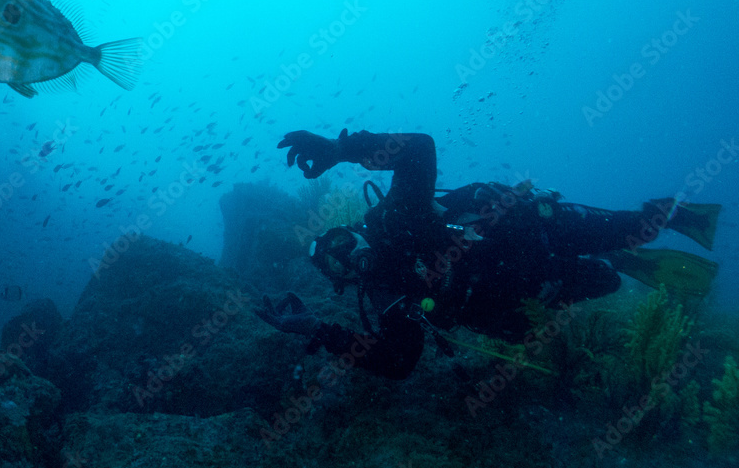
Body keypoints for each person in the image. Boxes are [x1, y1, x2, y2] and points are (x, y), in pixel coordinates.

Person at [255, 129, 720, 380]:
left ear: (353, 231)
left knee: (625, 229)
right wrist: (318, 330)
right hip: (530, 290)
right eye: (334, 264)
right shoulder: (384, 291)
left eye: (340, 242)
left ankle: (676, 217)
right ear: (342, 281)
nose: (345, 256)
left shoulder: (395, 219)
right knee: (606, 279)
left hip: (533, 228)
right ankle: (621, 263)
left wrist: (341, 149)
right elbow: (399, 361)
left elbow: (420, 148)